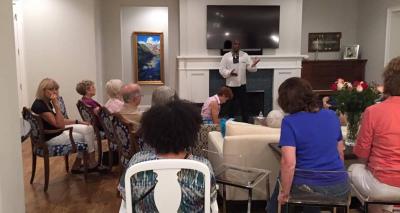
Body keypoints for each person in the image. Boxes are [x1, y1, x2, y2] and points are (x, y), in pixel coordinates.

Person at [118, 100, 218, 212]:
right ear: (191, 132)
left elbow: (125, 195)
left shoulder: (137, 161)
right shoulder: (202, 167)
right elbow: (211, 199)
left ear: (151, 132)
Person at [267, 77, 349, 213]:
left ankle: (272, 210)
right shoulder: (331, 115)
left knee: (285, 176)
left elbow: (289, 163)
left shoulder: (289, 122)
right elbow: (340, 153)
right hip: (340, 187)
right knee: (298, 179)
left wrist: (284, 194)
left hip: (310, 189)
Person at [349, 56, 400, 213]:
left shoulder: (374, 111)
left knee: (352, 169)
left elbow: (361, 154)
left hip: (383, 184)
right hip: (387, 185)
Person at [31, 78, 100, 173]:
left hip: (56, 131)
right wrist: (56, 106)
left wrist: (78, 121)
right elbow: (59, 124)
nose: (54, 91)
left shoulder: (45, 102)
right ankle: (91, 162)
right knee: (85, 138)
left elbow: (60, 121)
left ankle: (79, 164)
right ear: (43, 90)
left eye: (56, 89)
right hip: (51, 137)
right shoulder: (40, 106)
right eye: (51, 89)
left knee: (88, 128)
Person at [219, 39, 260, 123]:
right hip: (230, 86)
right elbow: (221, 69)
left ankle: (246, 123)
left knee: (244, 106)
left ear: (240, 45)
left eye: (238, 44)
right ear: (232, 45)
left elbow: (249, 68)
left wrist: (253, 64)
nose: (236, 45)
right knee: (230, 106)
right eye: (234, 44)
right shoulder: (226, 56)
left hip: (242, 85)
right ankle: (231, 124)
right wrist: (230, 73)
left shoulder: (245, 55)